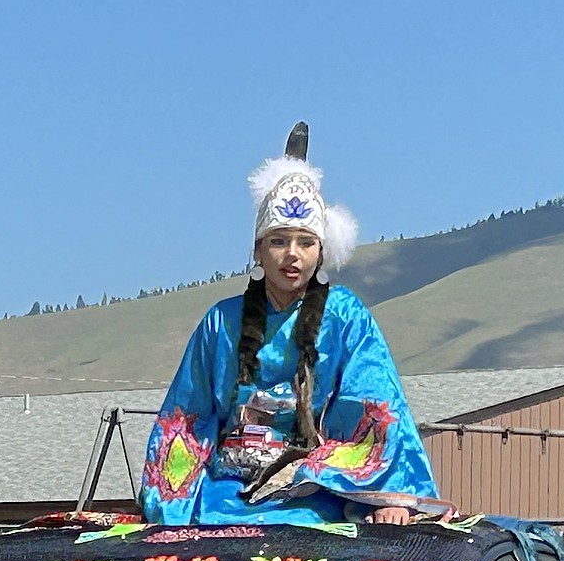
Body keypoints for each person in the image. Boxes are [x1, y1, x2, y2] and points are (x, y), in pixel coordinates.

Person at [140, 124, 439, 528]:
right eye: (279, 241)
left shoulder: (346, 317)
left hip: (311, 486)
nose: (292, 255)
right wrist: (168, 512)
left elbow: (374, 403)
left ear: (321, 252)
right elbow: (186, 419)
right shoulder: (220, 323)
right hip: (224, 491)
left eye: (305, 242)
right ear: (258, 250)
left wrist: (387, 498)